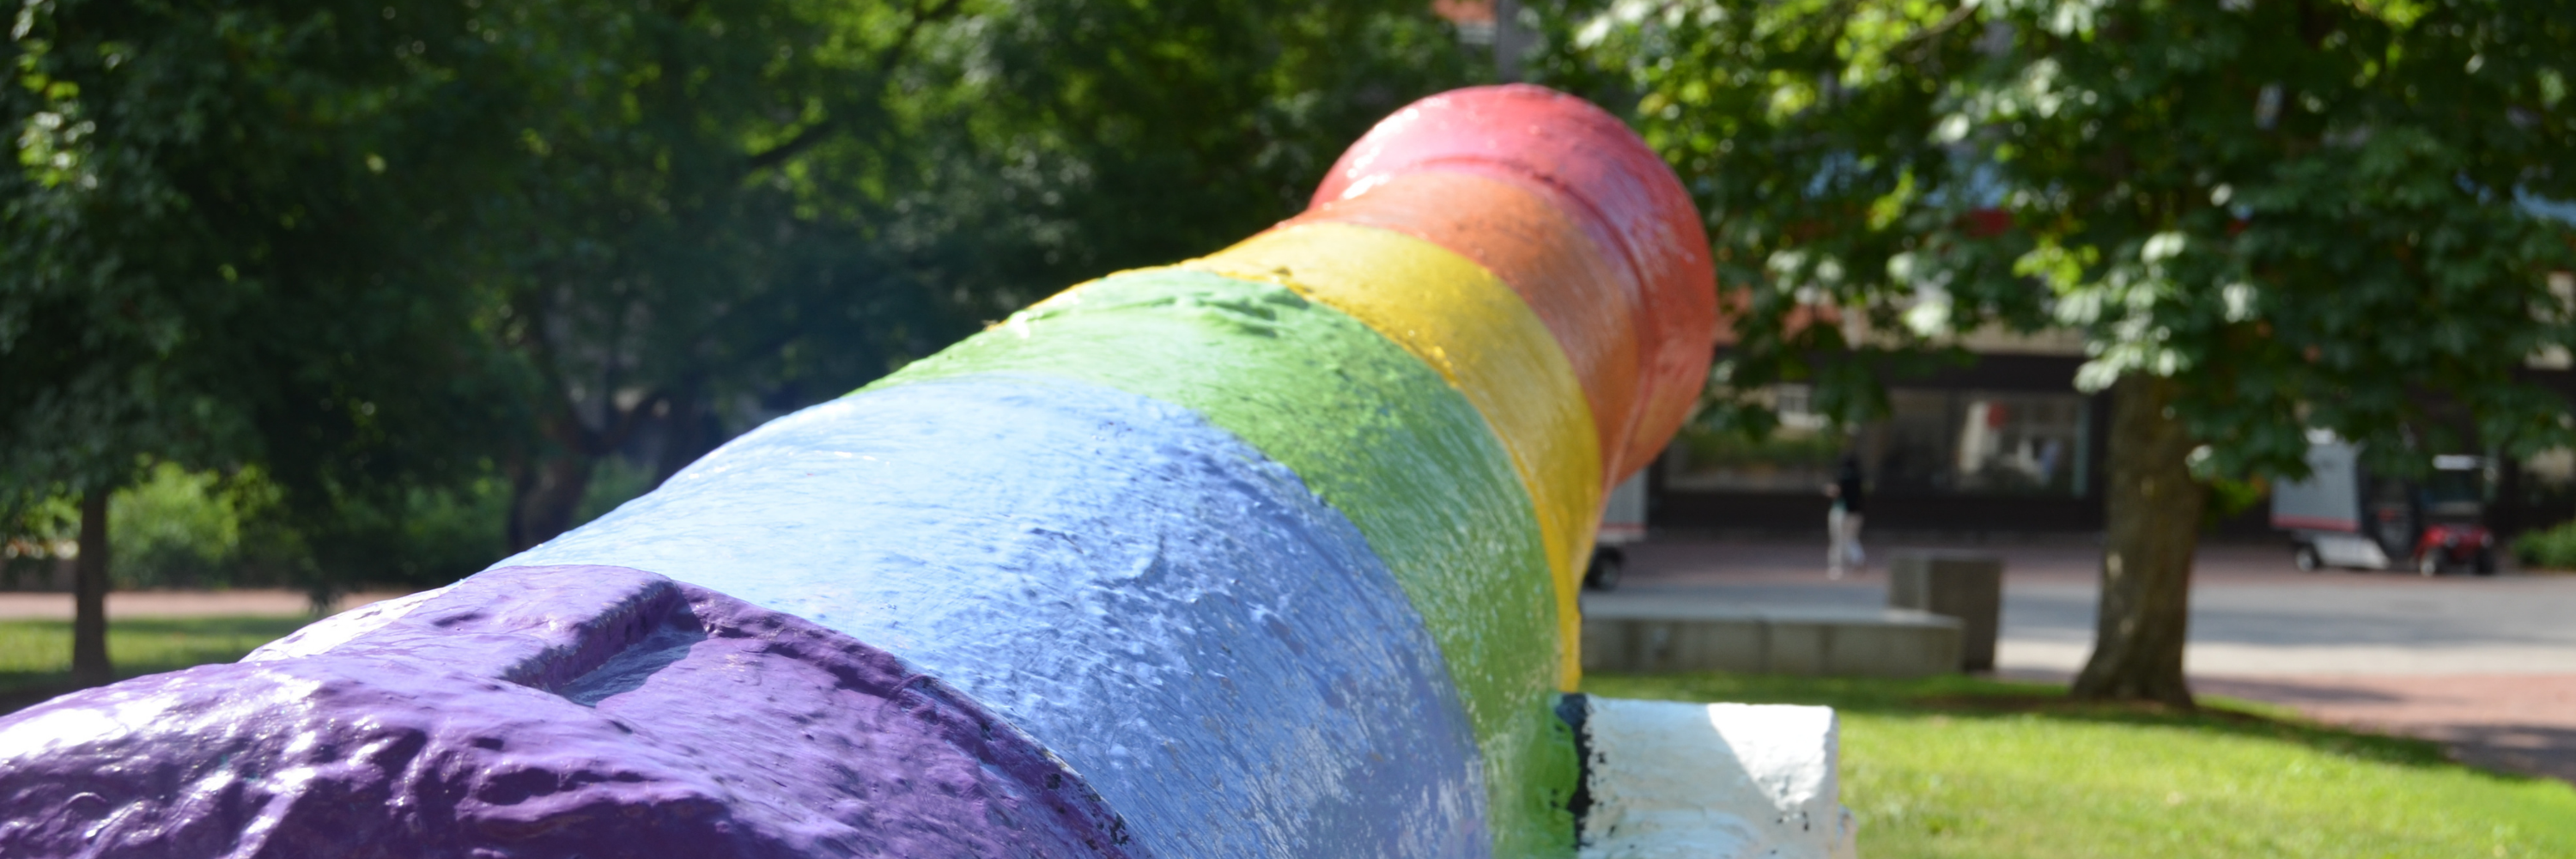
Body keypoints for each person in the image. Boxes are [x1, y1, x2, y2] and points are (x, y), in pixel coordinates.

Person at [1824, 455, 1867, 578]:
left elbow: (1836, 492)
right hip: (1857, 513)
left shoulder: (1842, 476)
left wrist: (1828, 490)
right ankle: (1858, 559)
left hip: (1841, 512)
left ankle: (1836, 567)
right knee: (1851, 539)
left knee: (1838, 540)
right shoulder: (1859, 478)